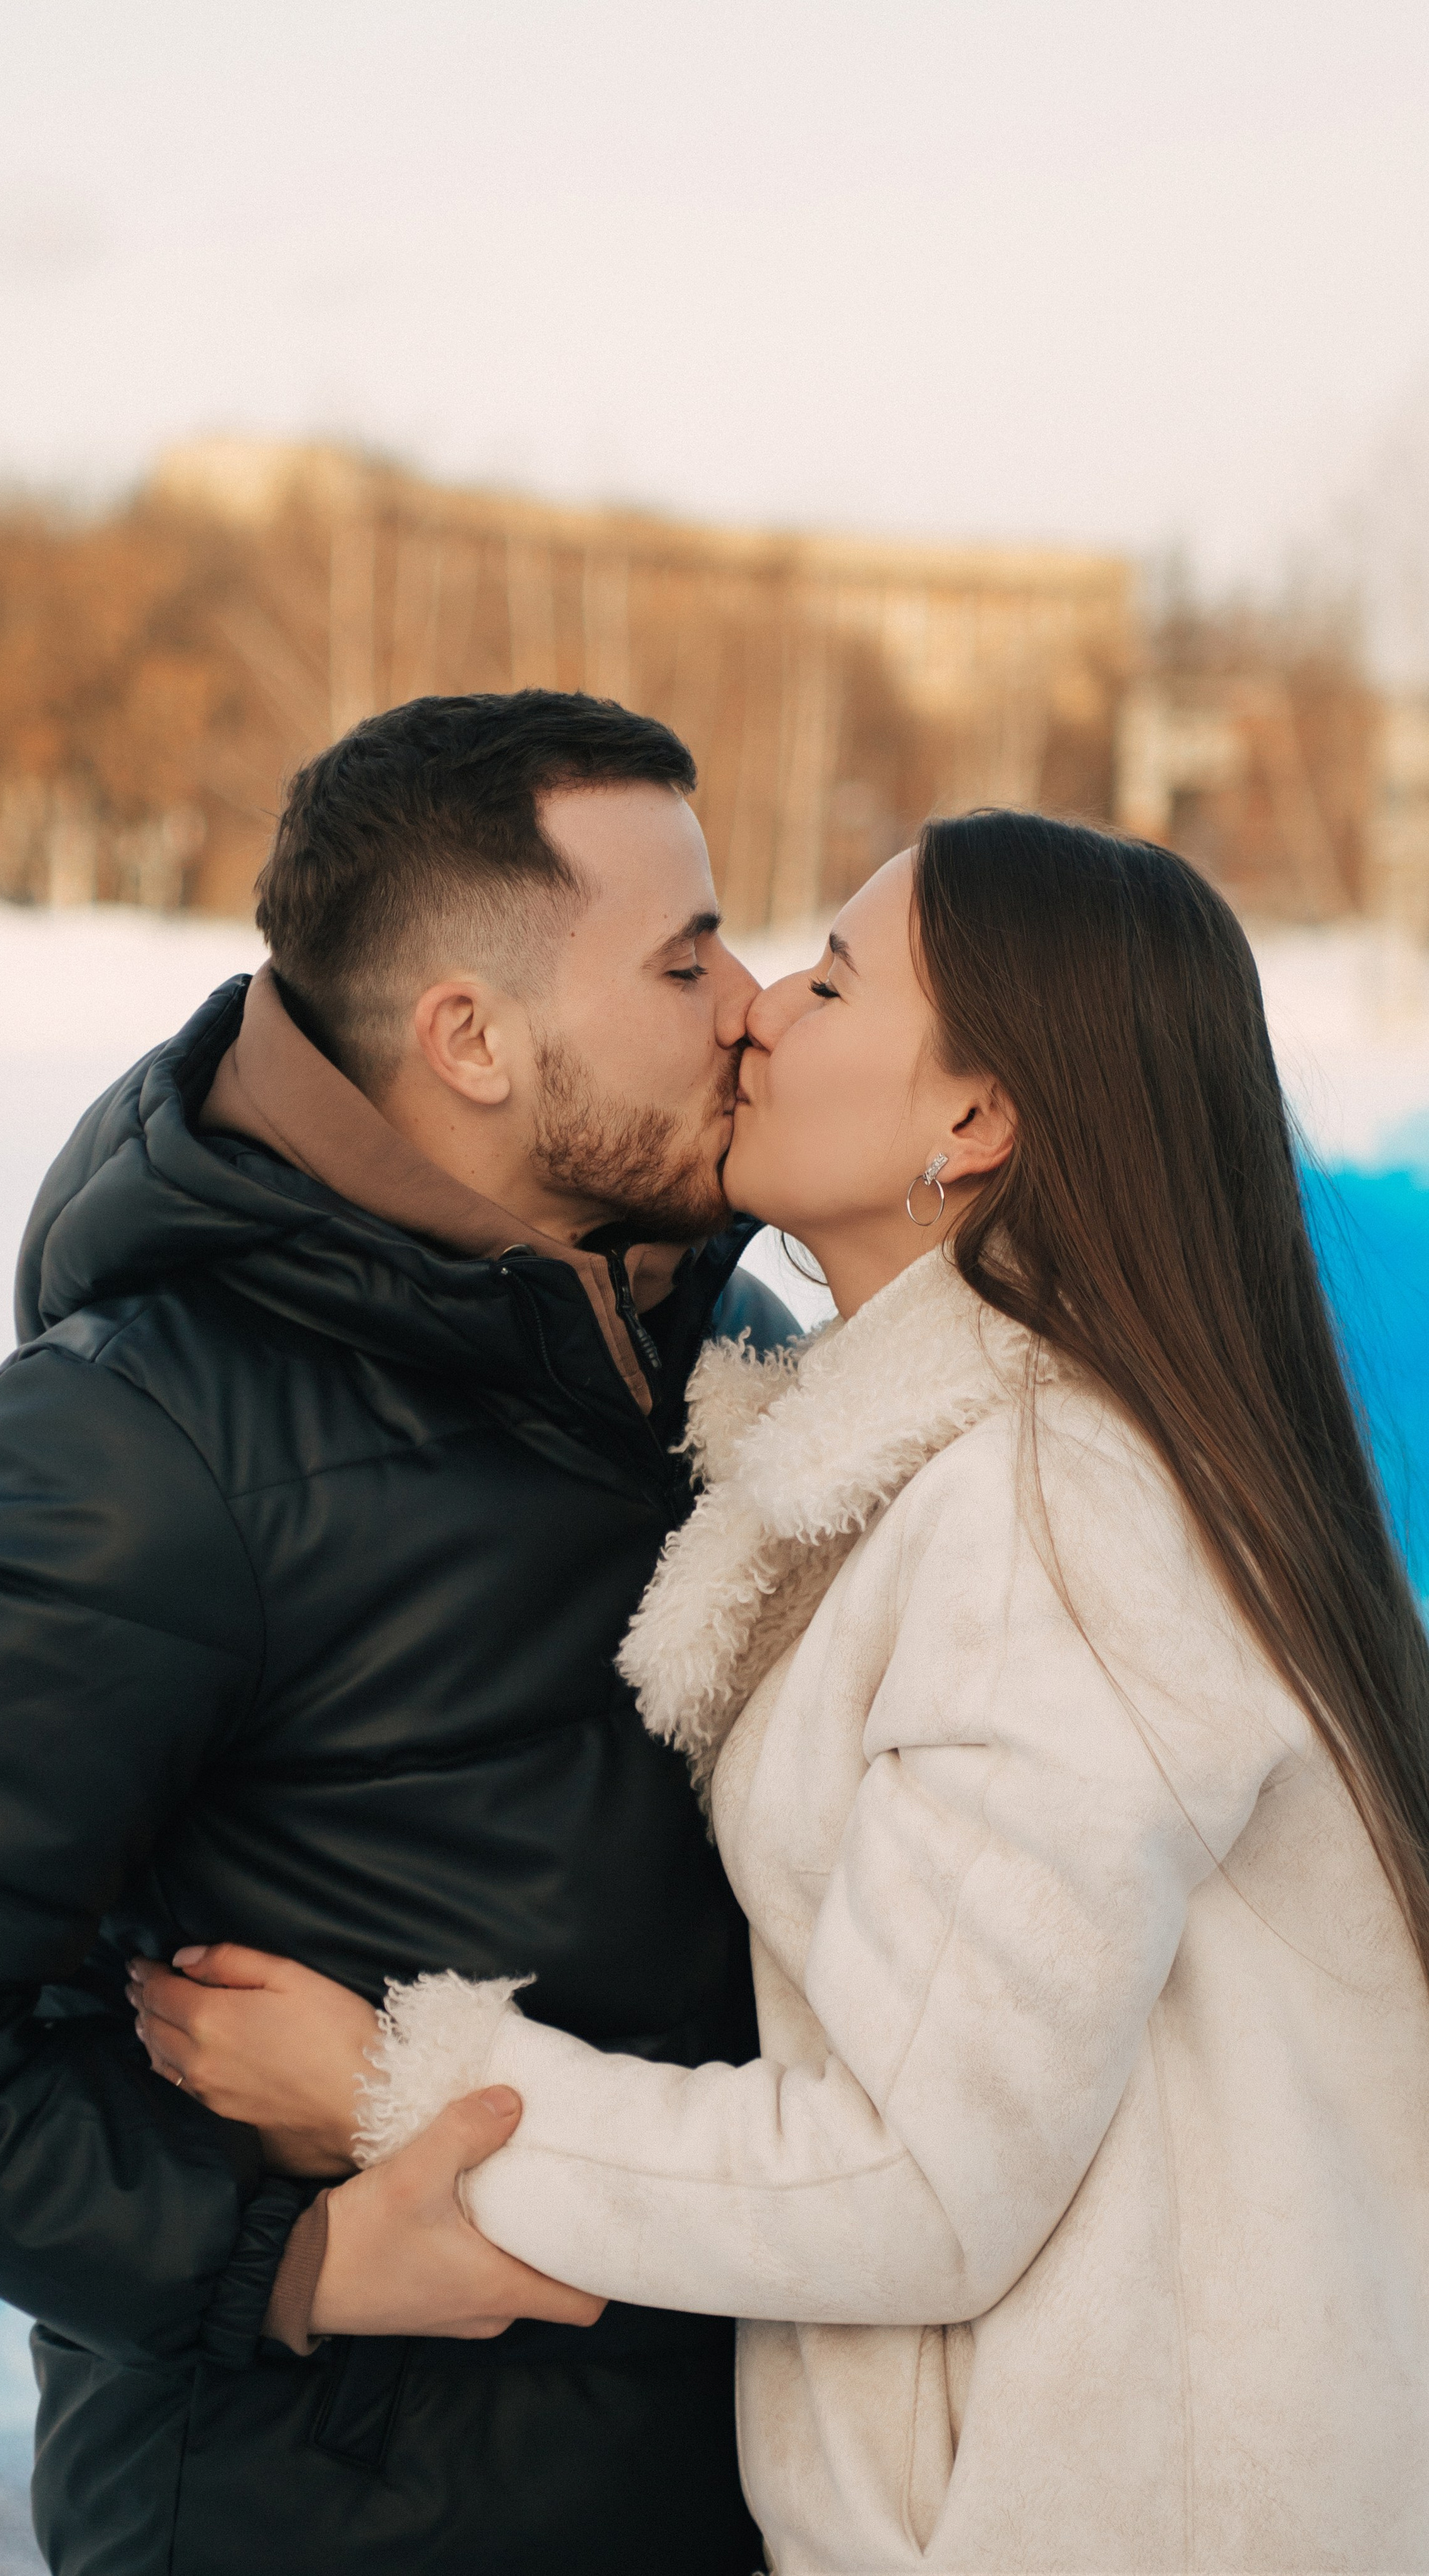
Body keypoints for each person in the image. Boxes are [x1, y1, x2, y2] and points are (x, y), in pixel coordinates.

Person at [148, 811, 1429, 2574]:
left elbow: (920, 2182)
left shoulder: (1051, 1518)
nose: (753, 1008)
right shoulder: (965, 1464)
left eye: (831, 980)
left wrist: (406, 2087)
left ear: (976, 1120)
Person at [0, 691, 799, 2576]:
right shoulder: (149, 1437)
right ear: (470, 1037)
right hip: (334, 2521)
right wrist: (285, 2259)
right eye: (686, 957)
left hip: (743, 2493)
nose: (750, 1004)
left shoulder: (726, 1349)